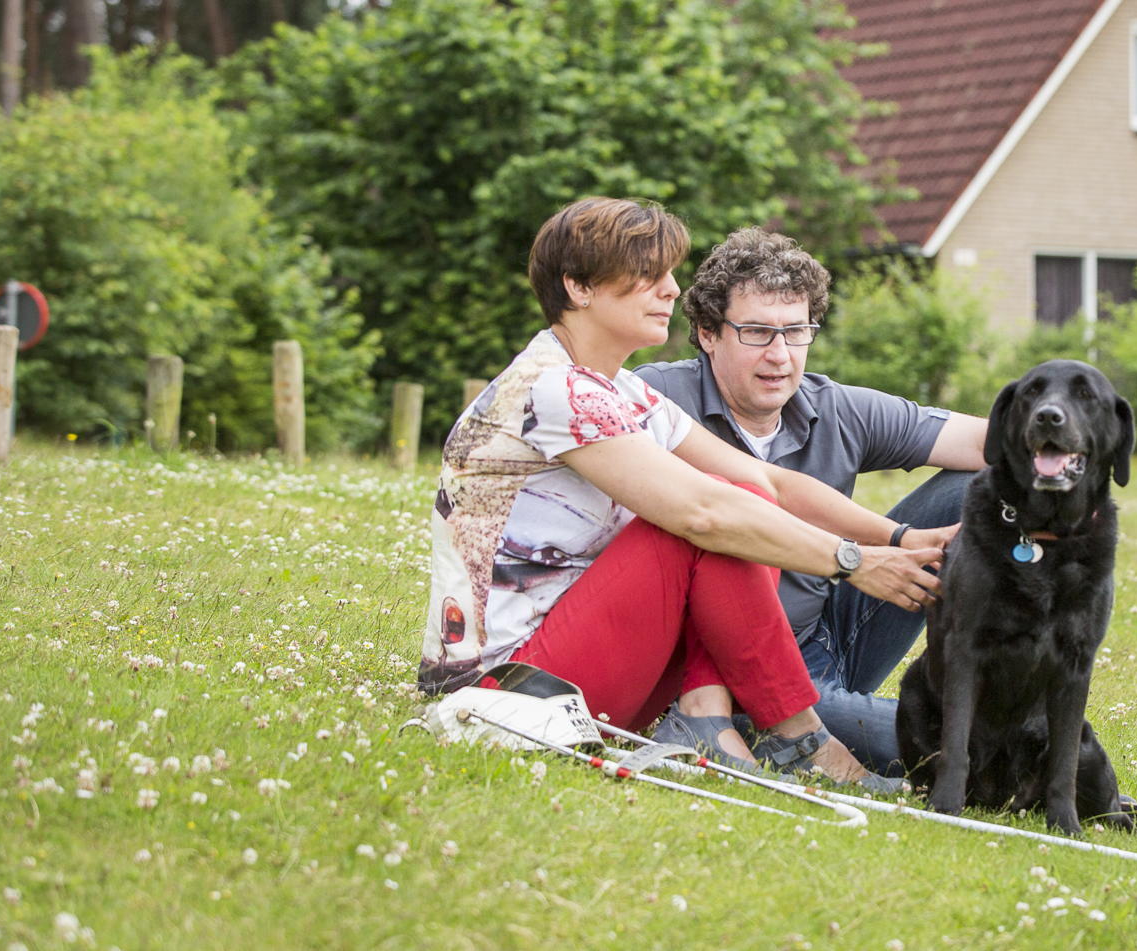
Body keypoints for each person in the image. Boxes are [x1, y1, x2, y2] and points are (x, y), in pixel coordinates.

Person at [417, 198, 954, 792]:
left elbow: (766, 480)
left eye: (669, 274)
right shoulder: (553, 389)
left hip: (592, 662)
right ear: (578, 287)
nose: (671, 290)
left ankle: (719, 722)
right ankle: (795, 736)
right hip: (512, 691)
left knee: (740, 497)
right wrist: (852, 561)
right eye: (648, 276)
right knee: (707, 516)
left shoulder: (616, 388)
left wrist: (898, 539)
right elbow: (703, 511)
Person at [634, 229, 987, 773]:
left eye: (796, 331)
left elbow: (986, 442)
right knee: (936, 747)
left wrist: (1068, 453)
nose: (780, 355)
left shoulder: (835, 407)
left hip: (828, 635)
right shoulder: (657, 399)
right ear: (707, 333)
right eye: (756, 332)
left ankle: (991, 683)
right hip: (722, 672)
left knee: (973, 488)